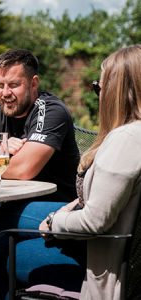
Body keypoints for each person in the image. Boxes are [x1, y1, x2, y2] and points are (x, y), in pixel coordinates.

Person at [0, 49, 84, 299]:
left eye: (14, 85)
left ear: (33, 84)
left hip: (62, 214)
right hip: (17, 218)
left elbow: (24, 169)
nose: (5, 93)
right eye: (0, 85)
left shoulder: (51, 112)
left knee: (10, 219)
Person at [37, 44, 141, 299]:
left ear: (115, 92)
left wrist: (54, 221)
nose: (98, 94)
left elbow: (96, 221)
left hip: (110, 273)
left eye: (98, 87)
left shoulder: (126, 139)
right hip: (109, 252)